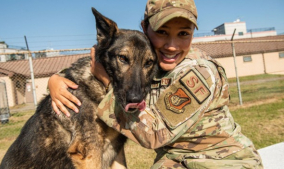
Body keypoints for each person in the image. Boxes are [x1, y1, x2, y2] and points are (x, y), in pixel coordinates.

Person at [48, 0, 263, 168]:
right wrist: (56, 79)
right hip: (177, 159)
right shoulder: (153, 60)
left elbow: (152, 135)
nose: (171, 45)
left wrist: (105, 81)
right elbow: (103, 61)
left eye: (183, 34)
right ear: (145, 30)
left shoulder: (199, 74)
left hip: (222, 161)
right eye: (162, 32)